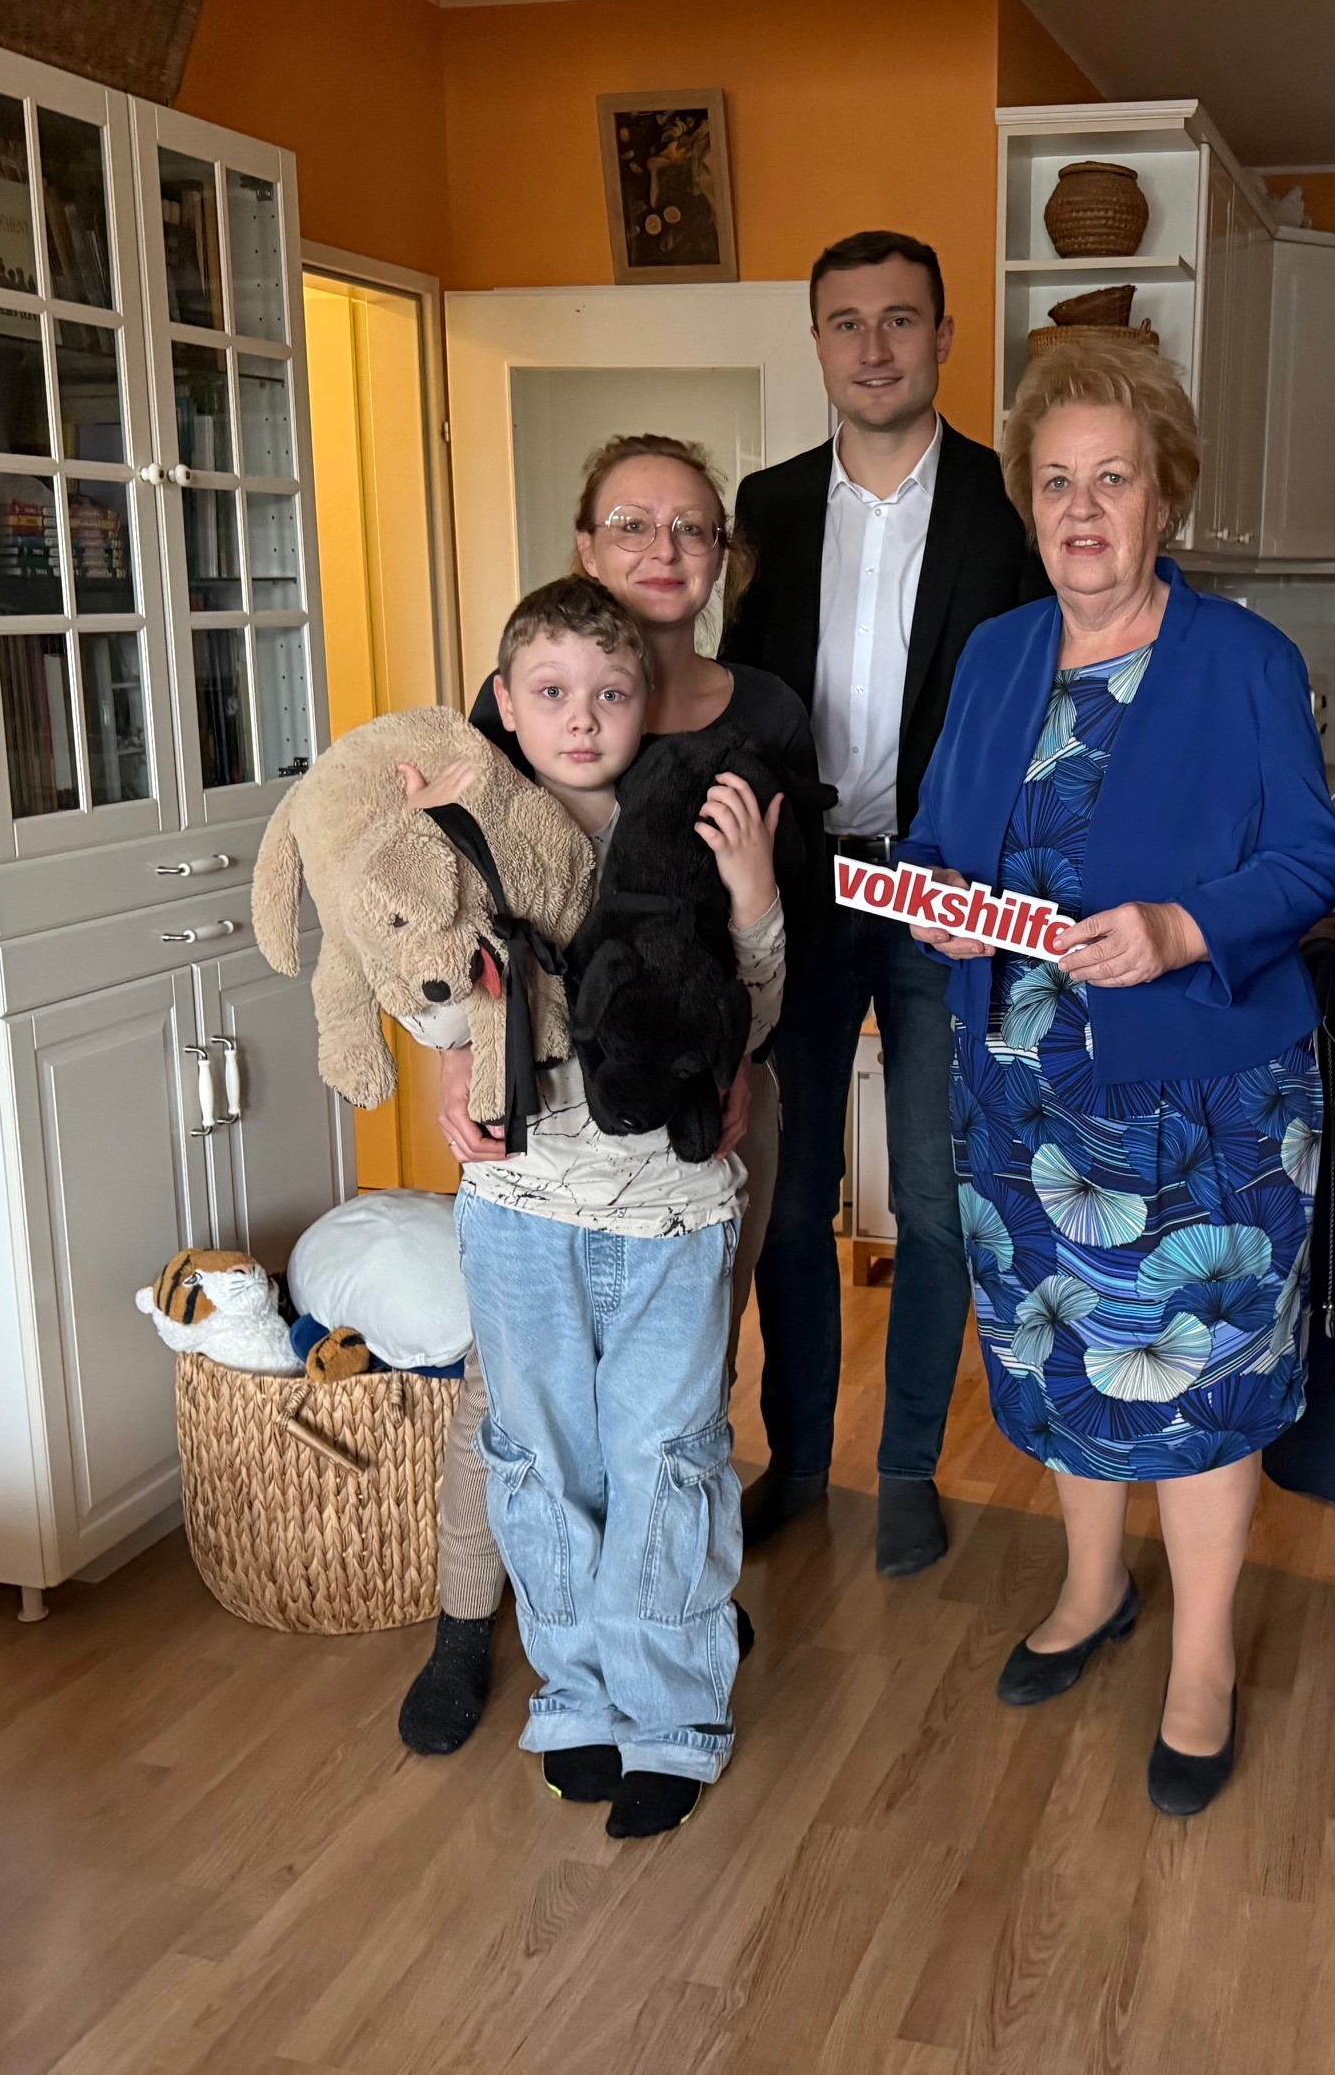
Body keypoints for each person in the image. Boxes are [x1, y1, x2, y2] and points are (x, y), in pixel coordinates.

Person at [901, 335, 1335, 1815]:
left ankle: (1203, 1658)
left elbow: (1310, 859)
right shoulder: (995, 653)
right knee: (1057, 1359)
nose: (1082, 511)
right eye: (1055, 483)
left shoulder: (1243, 660)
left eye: (1113, 479)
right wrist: (930, 896)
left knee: (1196, 1377)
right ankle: (1093, 1588)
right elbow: (940, 834)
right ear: (1028, 504)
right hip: (1019, 1093)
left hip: (1206, 1097)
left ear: (1165, 497)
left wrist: (1180, 928)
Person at [398, 435, 817, 1760]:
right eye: (631, 522)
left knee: (671, 1410)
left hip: (683, 1151)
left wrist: (733, 1059)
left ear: (722, 557)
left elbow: (761, 953)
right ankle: (485, 1630)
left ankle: (664, 1644)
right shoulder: (512, 724)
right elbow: (447, 939)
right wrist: (452, 1062)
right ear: (586, 543)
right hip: (534, 1165)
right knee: (523, 1413)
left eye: (690, 526)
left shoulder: (761, 716)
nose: (661, 548)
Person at [721, 230, 1048, 1577]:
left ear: (943, 337)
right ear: (816, 343)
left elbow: (1039, 705)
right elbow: (735, 699)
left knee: (932, 1194)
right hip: (800, 886)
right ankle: (800, 1459)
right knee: (793, 1192)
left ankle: (908, 1464)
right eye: (845, 322)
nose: (872, 346)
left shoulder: (1008, 504)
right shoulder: (765, 506)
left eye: (899, 319)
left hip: (941, 888)